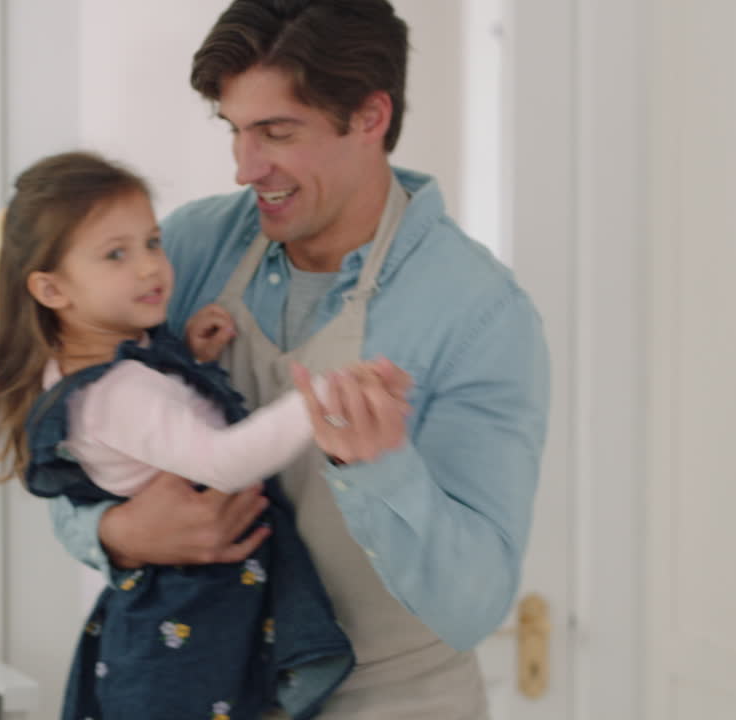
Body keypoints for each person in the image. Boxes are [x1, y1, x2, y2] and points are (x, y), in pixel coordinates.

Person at [50, 1, 551, 717]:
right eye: (234, 130)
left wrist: (381, 471)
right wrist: (115, 533)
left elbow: (473, 606)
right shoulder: (186, 252)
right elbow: (71, 433)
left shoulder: (481, 315)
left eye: (276, 133)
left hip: (391, 701)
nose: (244, 168)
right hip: (202, 686)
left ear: (371, 117)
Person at [0, 151, 412, 719]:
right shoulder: (118, 394)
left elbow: (147, 424)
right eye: (116, 254)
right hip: (192, 620)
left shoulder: (82, 368)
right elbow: (223, 462)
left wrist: (186, 356)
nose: (149, 267)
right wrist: (319, 402)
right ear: (52, 290)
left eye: (151, 242)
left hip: (167, 608)